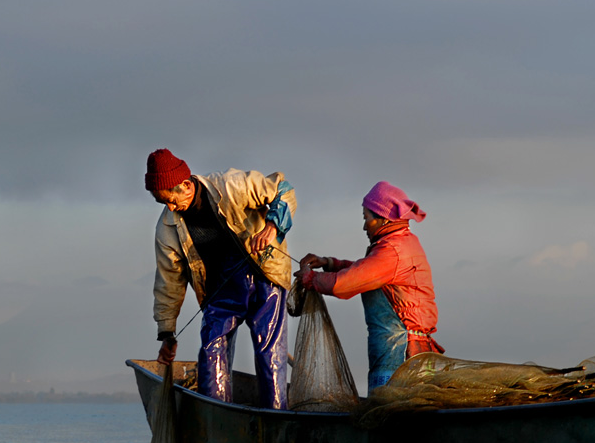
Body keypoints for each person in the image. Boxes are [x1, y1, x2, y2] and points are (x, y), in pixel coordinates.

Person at [145, 148, 296, 410]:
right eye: (162, 203)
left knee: (268, 352)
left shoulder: (231, 185)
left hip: (264, 276)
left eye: (171, 199)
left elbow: (283, 190)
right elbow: (169, 281)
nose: (170, 207)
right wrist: (167, 332)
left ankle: (275, 417)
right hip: (220, 288)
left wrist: (272, 227)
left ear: (186, 185)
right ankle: (216, 414)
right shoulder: (167, 228)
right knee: (211, 349)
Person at [299, 180, 443, 395]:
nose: (364, 226)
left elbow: (344, 283)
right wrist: (330, 263)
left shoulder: (393, 250)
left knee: (388, 419)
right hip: (413, 352)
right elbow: (366, 271)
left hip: (400, 352)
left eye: (366, 219)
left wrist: (309, 279)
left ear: (383, 219)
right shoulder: (401, 243)